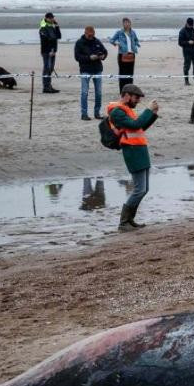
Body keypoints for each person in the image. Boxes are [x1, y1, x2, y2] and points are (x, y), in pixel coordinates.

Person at [106, 84, 159, 231]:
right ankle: (124, 223)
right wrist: (148, 110)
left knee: (144, 189)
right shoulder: (117, 112)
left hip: (140, 151)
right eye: (136, 98)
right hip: (132, 152)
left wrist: (152, 114)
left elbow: (139, 127)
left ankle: (130, 220)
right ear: (127, 95)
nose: (137, 101)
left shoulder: (127, 110)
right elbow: (136, 125)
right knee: (139, 190)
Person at [74, 26, 107, 120]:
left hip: (97, 69)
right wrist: (89, 58)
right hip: (85, 70)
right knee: (84, 92)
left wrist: (103, 56)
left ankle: (97, 113)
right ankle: (84, 114)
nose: (91, 36)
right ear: (85, 33)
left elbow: (105, 52)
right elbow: (77, 57)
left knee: (99, 93)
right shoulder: (79, 43)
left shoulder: (97, 41)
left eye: (92, 35)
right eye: (89, 35)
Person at [108, 17, 140, 93]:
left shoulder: (133, 32)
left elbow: (136, 40)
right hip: (122, 55)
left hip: (131, 55)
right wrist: (117, 43)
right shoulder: (119, 32)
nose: (126, 24)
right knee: (122, 74)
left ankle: (130, 91)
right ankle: (122, 92)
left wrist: (136, 44)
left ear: (130, 23)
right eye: (125, 22)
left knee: (130, 74)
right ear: (123, 24)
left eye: (128, 22)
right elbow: (111, 40)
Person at [38, 12, 61, 93]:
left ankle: (49, 86)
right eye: (51, 18)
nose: (52, 19)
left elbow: (58, 36)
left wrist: (57, 26)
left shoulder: (52, 26)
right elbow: (46, 41)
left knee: (50, 69)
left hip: (53, 51)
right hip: (46, 51)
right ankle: (46, 87)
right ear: (47, 18)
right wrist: (50, 51)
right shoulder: (43, 27)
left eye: (53, 18)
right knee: (47, 68)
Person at [177, 18, 194, 86]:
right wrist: (188, 42)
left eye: (192, 25)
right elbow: (180, 43)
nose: (191, 26)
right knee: (187, 66)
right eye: (190, 25)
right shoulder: (182, 31)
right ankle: (186, 81)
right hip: (187, 51)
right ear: (187, 23)